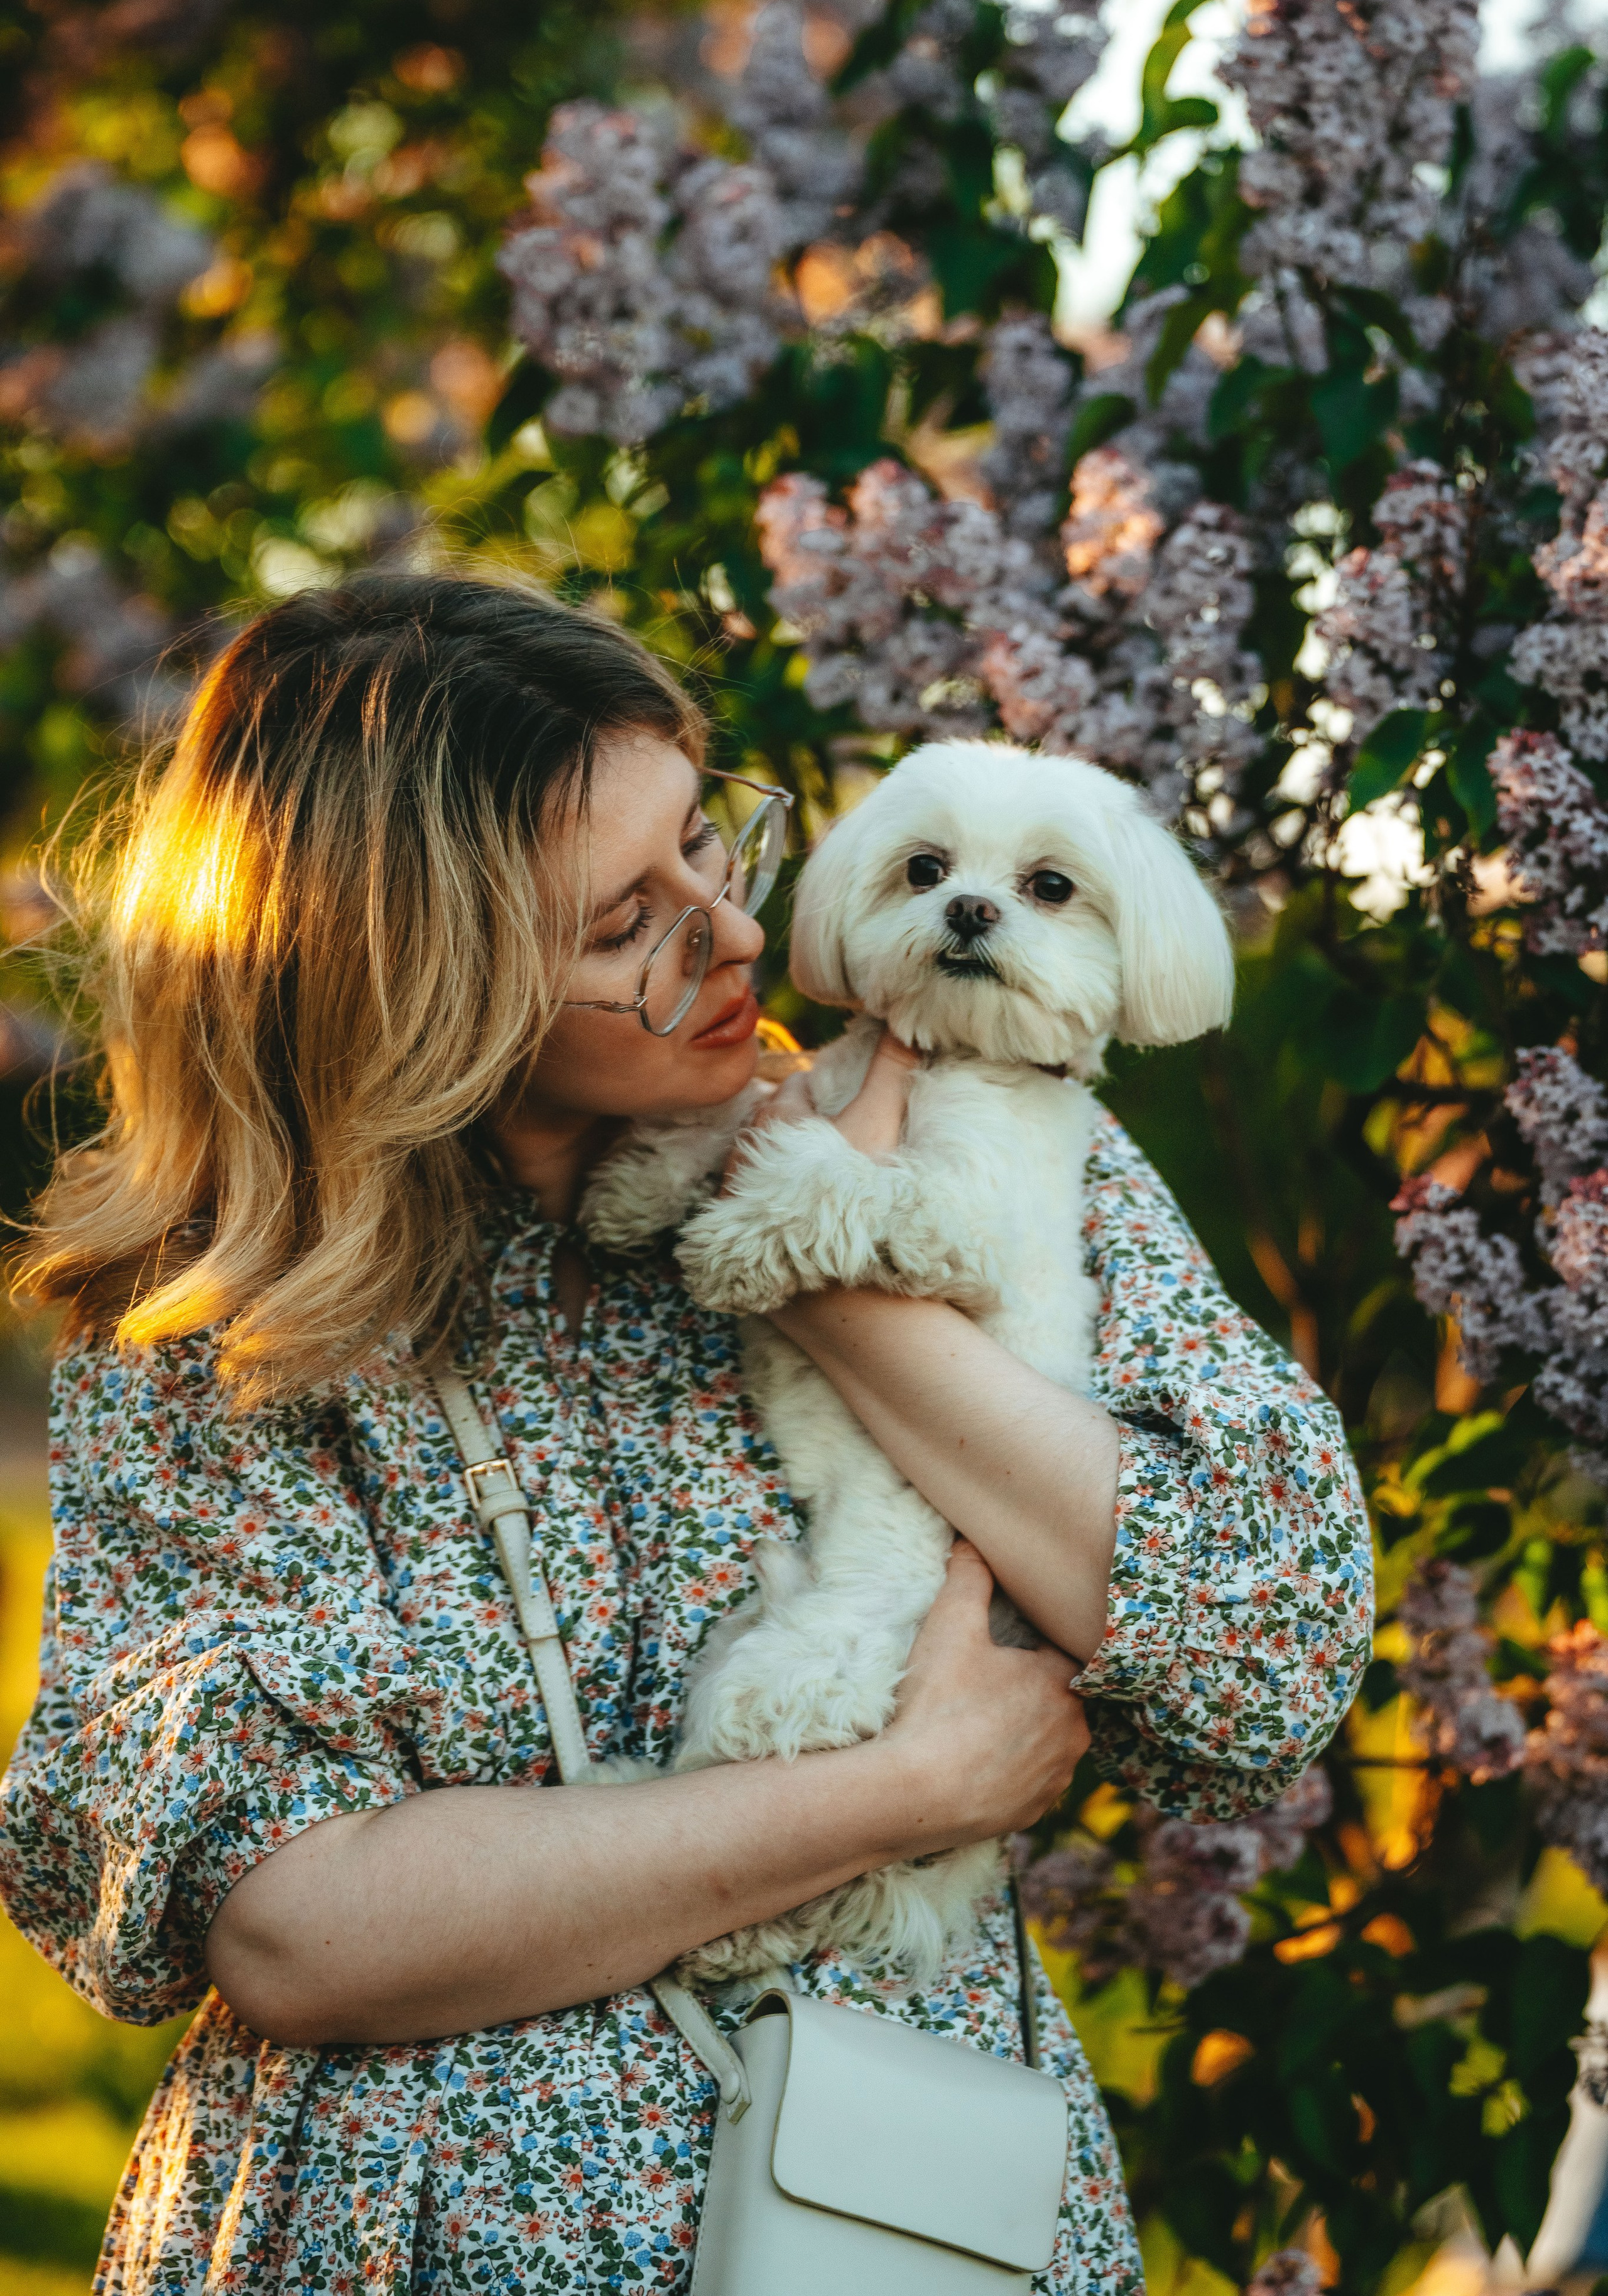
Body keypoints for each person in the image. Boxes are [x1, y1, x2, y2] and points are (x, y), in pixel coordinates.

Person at [0, 575, 1371, 2295]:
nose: (727, 935)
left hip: (893, 2227)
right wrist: (904, 1789)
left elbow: (1267, 1645)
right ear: (421, 996)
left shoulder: (974, 1124)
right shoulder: (225, 1339)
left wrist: (827, 1275)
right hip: (393, 2249)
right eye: (617, 924)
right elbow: (295, 1924)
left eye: (708, 847)